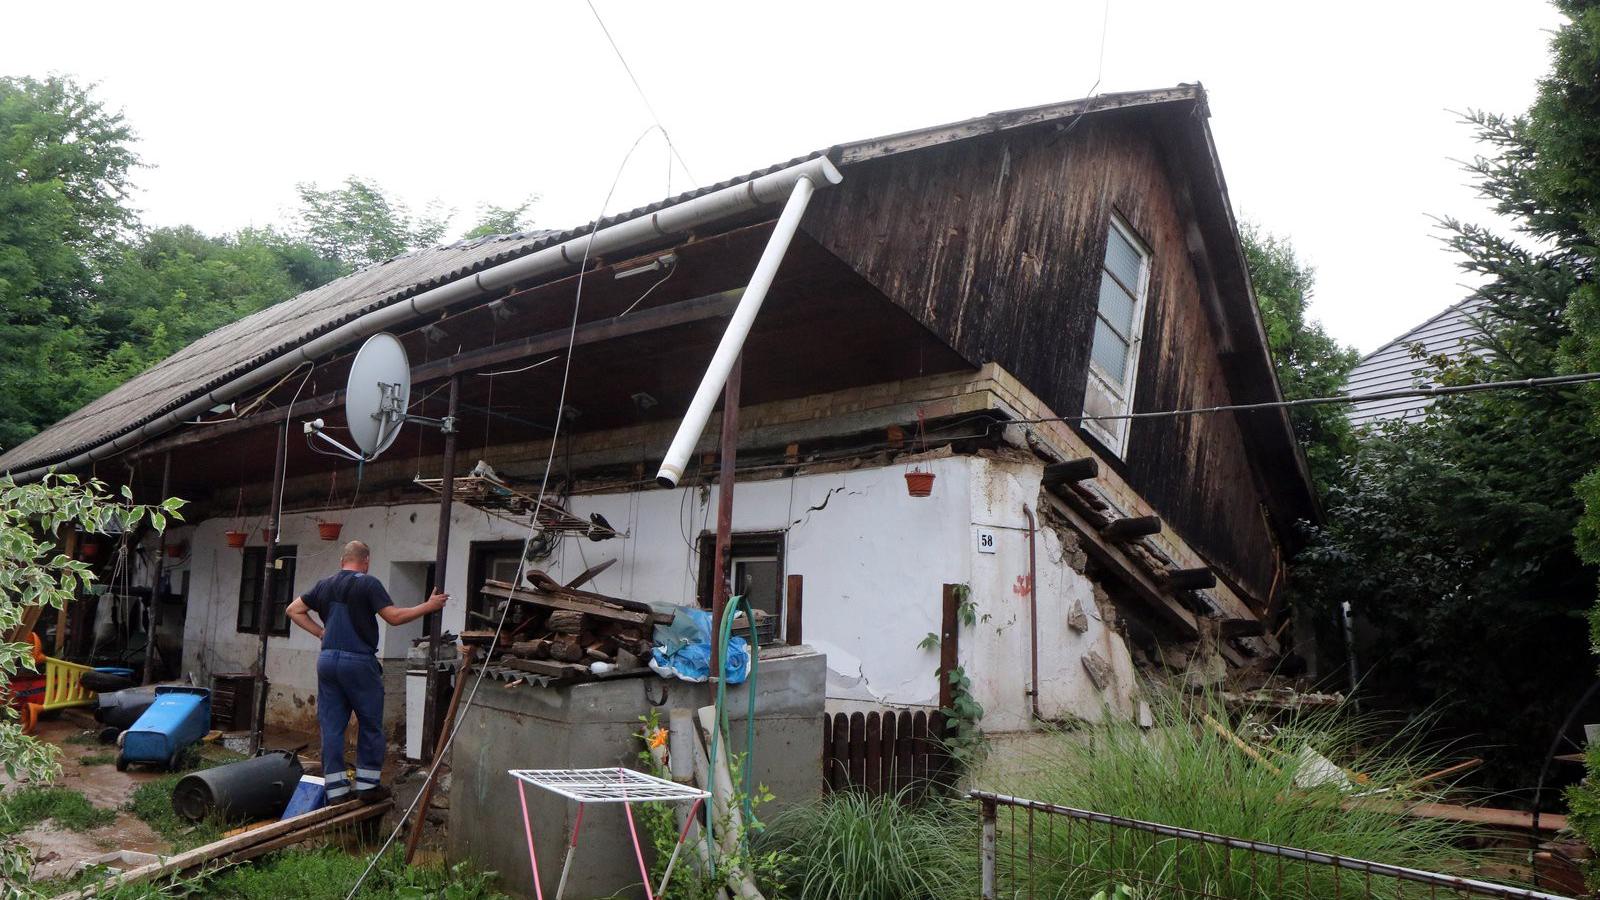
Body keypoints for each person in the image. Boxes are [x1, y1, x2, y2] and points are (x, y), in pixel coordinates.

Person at [286, 540, 447, 803]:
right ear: (366, 562)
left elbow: (293, 610)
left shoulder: (324, 584)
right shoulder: (368, 583)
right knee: (370, 724)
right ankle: (367, 787)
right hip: (358, 662)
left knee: (332, 726)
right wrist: (429, 606)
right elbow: (394, 617)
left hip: (327, 661)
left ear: (342, 561)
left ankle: (336, 792)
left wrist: (320, 632)